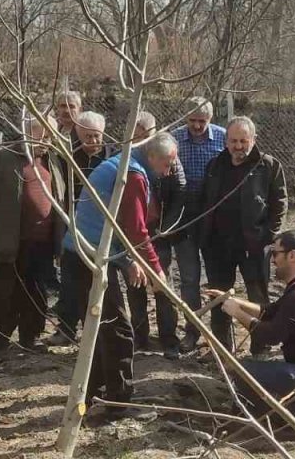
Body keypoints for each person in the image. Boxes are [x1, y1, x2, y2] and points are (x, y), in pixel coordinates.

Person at [61, 132, 178, 419]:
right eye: (166, 164)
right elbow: (136, 230)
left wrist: (127, 261)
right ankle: (118, 402)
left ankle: (94, 393)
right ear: (152, 157)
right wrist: (157, 271)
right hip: (89, 256)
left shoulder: (122, 163)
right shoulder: (134, 177)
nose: (169, 171)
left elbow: (113, 222)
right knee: (117, 329)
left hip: (84, 252)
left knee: (102, 328)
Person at [203, 230, 295, 431]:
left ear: (292, 256)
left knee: (240, 370)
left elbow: (271, 336)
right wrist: (235, 302)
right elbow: (270, 312)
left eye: (275, 253)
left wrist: (237, 313)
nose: (272, 260)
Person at [198, 116, 287, 353]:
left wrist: (267, 235)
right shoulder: (215, 165)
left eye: (243, 141)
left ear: (253, 139)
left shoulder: (268, 166)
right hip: (218, 245)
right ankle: (223, 348)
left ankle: (261, 347)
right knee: (219, 298)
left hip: (254, 246)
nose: (238, 146)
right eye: (234, 141)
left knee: (258, 298)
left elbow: (280, 203)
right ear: (225, 141)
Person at [0, 117, 65, 360]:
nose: (47, 142)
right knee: (6, 292)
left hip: (43, 242)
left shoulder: (53, 159)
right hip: (11, 240)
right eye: (43, 136)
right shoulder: (4, 158)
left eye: (51, 137)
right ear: (27, 134)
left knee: (37, 292)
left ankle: (30, 337)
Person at [48, 110, 116, 345]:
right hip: (73, 227)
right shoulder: (68, 158)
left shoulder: (112, 158)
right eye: (87, 137)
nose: (93, 142)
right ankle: (66, 330)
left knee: (99, 285)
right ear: (78, 134)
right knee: (69, 283)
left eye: (97, 136)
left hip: (102, 231)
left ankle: (96, 332)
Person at [170, 96, 226, 353]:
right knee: (189, 278)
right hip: (184, 217)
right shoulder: (175, 139)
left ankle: (220, 335)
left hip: (215, 218)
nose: (196, 125)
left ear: (210, 119)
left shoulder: (224, 139)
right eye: (192, 120)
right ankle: (192, 331)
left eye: (201, 121)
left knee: (217, 277)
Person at [129, 112, 184, 358]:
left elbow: (180, 191)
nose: (141, 140)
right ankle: (139, 337)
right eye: (136, 135)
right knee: (135, 285)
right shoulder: (128, 160)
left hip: (158, 231)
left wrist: (167, 227)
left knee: (163, 285)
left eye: (145, 135)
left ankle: (169, 339)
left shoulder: (167, 155)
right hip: (132, 232)